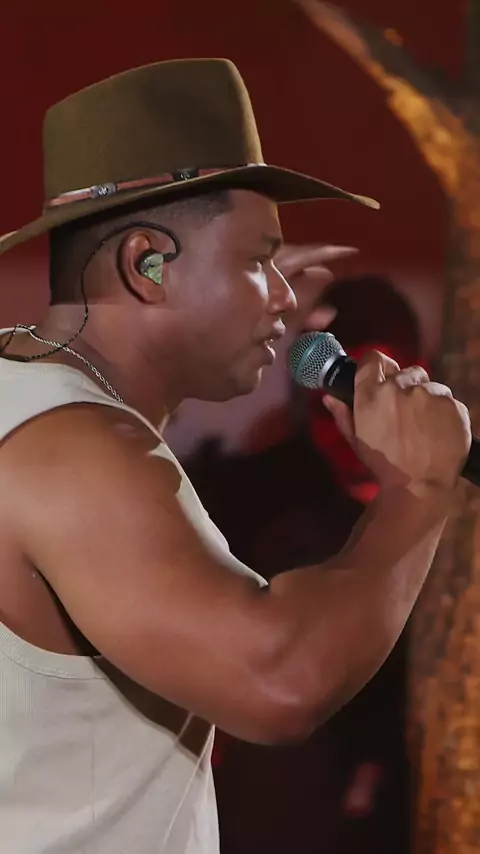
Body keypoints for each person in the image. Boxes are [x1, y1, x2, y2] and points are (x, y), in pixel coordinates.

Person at [0, 58, 470, 854]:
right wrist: (418, 488)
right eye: (259, 259)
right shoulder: (75, 450)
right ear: (146, 265)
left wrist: (218, 293)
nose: (284, 294)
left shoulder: (27, 393)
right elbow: (280, 680)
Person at [185, 275, 423, 853]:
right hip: (277, 807)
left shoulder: (451, 502)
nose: (351, 412)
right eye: (330, 395)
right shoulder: (246, 497)